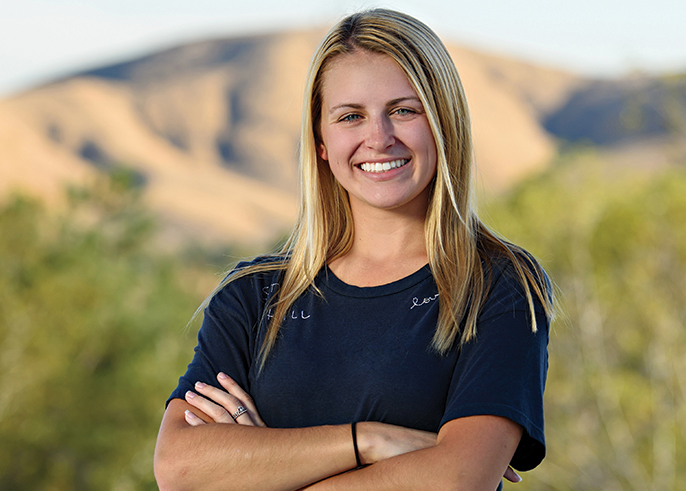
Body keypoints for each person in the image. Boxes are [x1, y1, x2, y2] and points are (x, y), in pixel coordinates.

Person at [153, 8, 555, 491]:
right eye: (350, 117)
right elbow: (179, 469)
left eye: (404, 110)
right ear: (321, 141)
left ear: (444, 122)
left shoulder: (498, 284)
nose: (379, 138)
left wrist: (259, 471)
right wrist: (367, 441)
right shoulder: (253, 297)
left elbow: (457, 480)